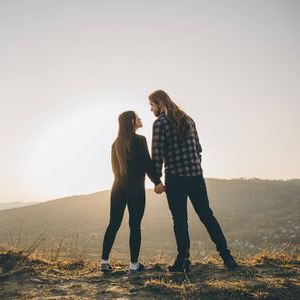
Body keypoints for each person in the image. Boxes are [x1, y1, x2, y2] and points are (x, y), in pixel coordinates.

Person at [148, 89, 238, 272]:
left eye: (151, 105)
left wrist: (156, 180)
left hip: (175, 178)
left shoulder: (160, 123)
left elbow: (156, 155)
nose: (151, 110)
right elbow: (198, 149)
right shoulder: (188, 119)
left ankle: (183, 261)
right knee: (207, 215)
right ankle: (227, 257)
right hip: (196, 176)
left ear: (159, 103)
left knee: (180, 220)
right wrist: (195, 166)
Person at [101, 111, 164, 274]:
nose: (140, 119)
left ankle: (104, 262)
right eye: (138, 117)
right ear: (131, 121)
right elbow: (147, 164)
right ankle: (133, 266)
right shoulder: (140, 140)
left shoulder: (115, 144)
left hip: (117, 187)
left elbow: (115, 170)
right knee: (135, 226)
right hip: (135, 186)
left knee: (113, 224)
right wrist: (157, 182)